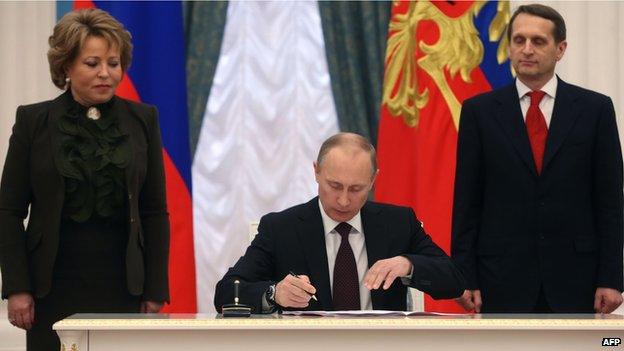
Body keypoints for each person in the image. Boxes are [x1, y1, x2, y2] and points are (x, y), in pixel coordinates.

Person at [0, 8, 170, 350]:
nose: (105, 74)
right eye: (92, 64)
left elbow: (154, 211)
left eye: (113, 63)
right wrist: (17, 287)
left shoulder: (143, 119)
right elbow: (8, 211)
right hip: (52, 286)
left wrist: (155, 290)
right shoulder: (34, 121)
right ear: (66, 67)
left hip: (124, 285)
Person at [451, 4, 623, 313]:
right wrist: (464, 276)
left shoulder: (595, 110)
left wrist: (612, 277)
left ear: (560, 49)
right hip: (500, 278)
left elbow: (610, 202)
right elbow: (467, 202)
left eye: (538, 41)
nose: (526, 50)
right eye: (519, 40)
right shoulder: (479, 112)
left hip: (577, 278)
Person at [214, 132, 464, 312]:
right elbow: (226, 292)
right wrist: (274, 293)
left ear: (374, 180)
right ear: (316, 171)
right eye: (334, 186)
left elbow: (454, 281)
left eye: (356, 189)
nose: (344, 200)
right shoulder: (281, 229)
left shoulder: (398, 223)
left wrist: (409, 264)